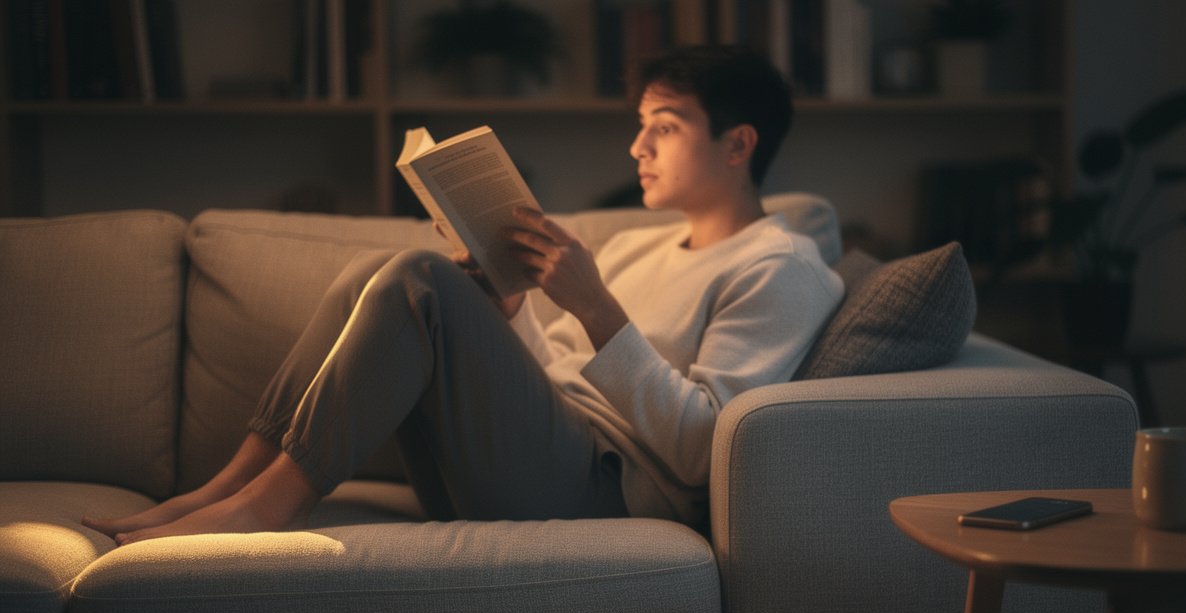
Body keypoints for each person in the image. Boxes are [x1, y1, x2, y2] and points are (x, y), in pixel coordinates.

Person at [84, 45, 843, 544]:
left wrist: (596, 307)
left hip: (608, 496)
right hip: (529, 460)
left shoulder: (782, 266)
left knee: (420, 282)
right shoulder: (641, 245)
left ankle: (271, 506)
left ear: (738, 144)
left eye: (665, 129)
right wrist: (510, 316)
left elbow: (710, 449)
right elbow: (565, 378)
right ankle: (223, 486)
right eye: (641, 126)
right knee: (380, 274)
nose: (637, 148)